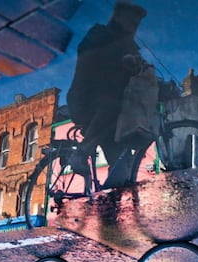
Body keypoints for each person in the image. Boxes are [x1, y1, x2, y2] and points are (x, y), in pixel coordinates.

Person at [67, 0, 157, 182]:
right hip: (86, 101)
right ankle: (81, 154)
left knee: (122, 169)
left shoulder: (131, 47)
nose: (135, 26)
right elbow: (88, 55)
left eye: (137, 23)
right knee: (112, 105)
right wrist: (121, 58)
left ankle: (111, 203)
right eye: (132, 20)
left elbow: (139, 75)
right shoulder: (100, 34)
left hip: (113, 118)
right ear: (118, 17)